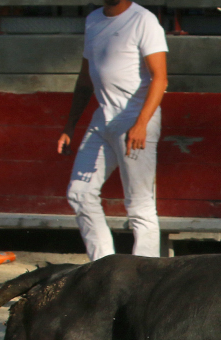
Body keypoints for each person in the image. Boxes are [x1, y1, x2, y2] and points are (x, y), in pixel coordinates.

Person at [57, 0, 168, 261]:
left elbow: (160, 77)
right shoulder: (93, 19)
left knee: (139, 204)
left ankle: (144, 278)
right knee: (79, 193)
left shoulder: (144, 20)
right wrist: (70, 125)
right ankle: (103, 266)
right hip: (103, 118)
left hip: (135, 118)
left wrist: (141, 123)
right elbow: (86, 78)